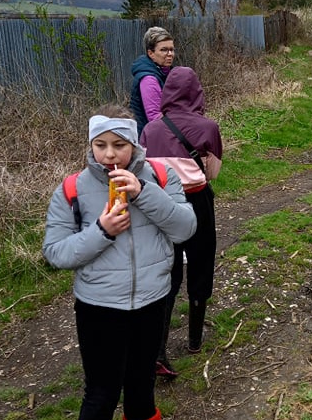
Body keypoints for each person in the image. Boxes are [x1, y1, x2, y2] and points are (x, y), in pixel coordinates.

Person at [42, 104, 197, 420]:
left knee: (141, 388)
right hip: (98, 309)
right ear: (90, 146)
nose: (109, 155)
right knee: (101, 393)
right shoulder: (72, 189)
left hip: (151, 302)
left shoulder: (162, 177)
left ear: (136, 145)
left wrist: (143, 193)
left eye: (119, 145)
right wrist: (102, 231)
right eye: (100, 145)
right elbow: (56, 253)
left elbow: (186, 228)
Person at [140, 66, 223, 380]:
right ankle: (194, 339)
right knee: (201, 263)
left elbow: (145, 171)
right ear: (196, 91)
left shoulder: (150, 130)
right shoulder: (208, 127)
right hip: (197, 201)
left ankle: (158, 349)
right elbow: (212, 174)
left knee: (166, 268)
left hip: (161, 204)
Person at [130, 26, 176, 136]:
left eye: (171, 49)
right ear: (151, 53)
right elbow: (155, 117)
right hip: (150, 139)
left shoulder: (165, 72)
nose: (170, 54)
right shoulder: (148, 79)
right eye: (164, 50)